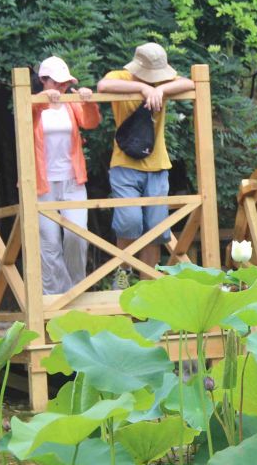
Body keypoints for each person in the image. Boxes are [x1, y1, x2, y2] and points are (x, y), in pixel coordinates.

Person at [97, 43, 195, 286]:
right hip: (124, 163)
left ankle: (148, 282)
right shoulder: (120, 77)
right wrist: (142, 88)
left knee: (155, 228)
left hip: (158, 165)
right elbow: (103, 86)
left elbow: (190, 83)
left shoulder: (163, 83)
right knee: (129, 221)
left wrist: (161, 91)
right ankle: (124, 271)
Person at [33, 56, 101, 295]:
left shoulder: (71, 103)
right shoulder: (32, 105)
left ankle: (76, 292)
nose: (62, 87)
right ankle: (54, 297)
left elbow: (91, 122)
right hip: (43, 184)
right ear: (43, 80)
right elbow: (26, 117)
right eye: (57, 83)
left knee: (76, 236)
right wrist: (42, 100)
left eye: (65, 83)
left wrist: (88, 100)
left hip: (72, 180)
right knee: (49, 243)